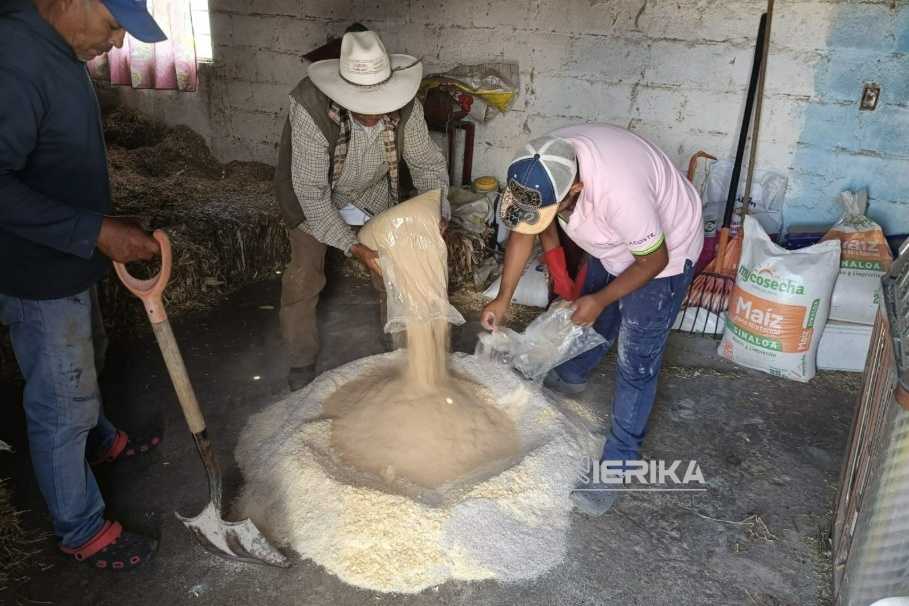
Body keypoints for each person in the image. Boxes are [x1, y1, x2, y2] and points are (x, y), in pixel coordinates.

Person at [0, 0, 168, 570]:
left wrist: (97, 233)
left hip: (73, 257)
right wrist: (95, 229)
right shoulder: (14, 61)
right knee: (60, 400)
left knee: (88, 357)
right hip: (41, 271)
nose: (117, 44)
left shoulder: (58, 46)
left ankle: (99, 439)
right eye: (115, 25)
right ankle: (82, 528)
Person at [481, 126, 703, 516]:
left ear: (577, 189)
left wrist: (601, 299)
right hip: (611, 239)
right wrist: (503, 298)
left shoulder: (620, 194)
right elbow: (524, 232)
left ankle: (618, 463)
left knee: (637, 361)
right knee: (590, 313)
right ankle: (575, 372)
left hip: (665, 251)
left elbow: (652, 260)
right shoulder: (541, 165)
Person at [275, 28, 449, 391]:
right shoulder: (308, 106)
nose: (373, 115)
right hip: (316, 196)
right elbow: (311, 191)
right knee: (304, 279)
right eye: (362, 105)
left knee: (394, 271)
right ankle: (301, 361)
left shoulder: (406, 104)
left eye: (379, 103)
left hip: (372, 190)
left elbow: (427, 165)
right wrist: (353, 246)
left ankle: (402, 352)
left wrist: (436, 211)